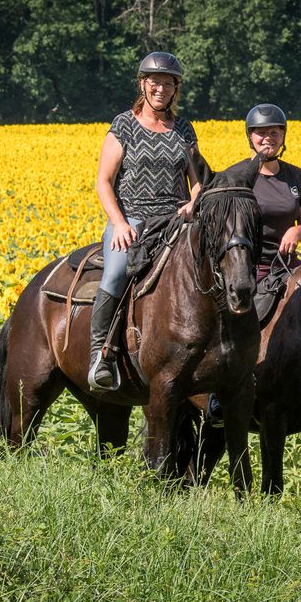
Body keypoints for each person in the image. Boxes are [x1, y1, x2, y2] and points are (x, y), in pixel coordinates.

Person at [88, 51, 210, 392]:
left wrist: (192, 203)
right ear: (143, 85)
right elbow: (104, 181)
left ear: (175, 90)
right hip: (132, 219)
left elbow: (198, 178)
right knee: (114, 274)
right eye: (154, 82)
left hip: (174, 221)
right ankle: (102, 355)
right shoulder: (123, 125)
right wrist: (120, 223)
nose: (161, 88)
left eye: (168, 83)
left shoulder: (183, 128)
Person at [243, 103, 301, 284]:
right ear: (250, 136)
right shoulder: (236, 177)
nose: (268, 138)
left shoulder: (296, 176)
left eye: (274, 133)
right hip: (250, 267)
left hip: (288, 264)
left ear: (283, 136)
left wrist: (296, 232)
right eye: (261, 133)